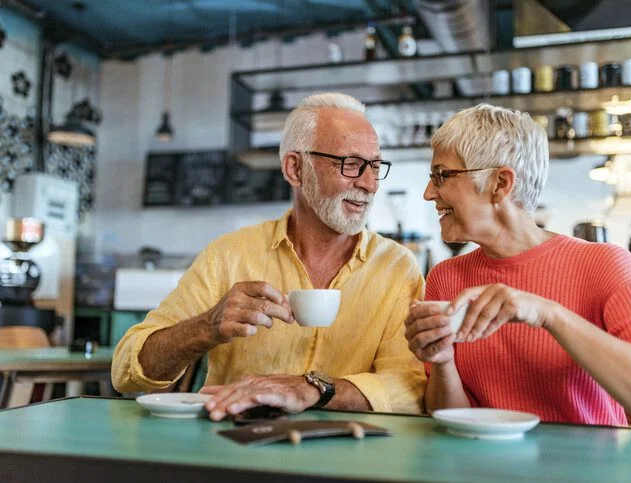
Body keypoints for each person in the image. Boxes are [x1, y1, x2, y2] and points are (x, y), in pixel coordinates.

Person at [112, 92, 426, 419]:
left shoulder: (396, 267)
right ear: (295, 168)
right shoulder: (229, 255)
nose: (369, 184)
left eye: (375, 166)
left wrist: (314, 388)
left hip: (350, 454)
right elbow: (126, 371)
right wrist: (207, 326)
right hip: (235, 448)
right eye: (350, 164)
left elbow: (410, 386)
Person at [404, 104, 631, 426]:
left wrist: (547, 313)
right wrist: (442, 361)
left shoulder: (605, 265)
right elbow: (447, 416)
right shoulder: (447, 277)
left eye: (442, 175)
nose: (429, 193)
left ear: (500, 184)